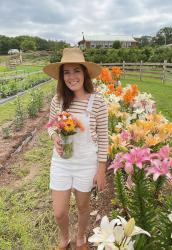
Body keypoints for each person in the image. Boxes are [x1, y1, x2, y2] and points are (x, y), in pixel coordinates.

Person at [43, 47, 108, 250]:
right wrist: (54, 137)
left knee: (82, 207)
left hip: (86, 163)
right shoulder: (58, 100)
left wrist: (101, 169)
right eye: (66, 72)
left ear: (85, 73)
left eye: (76, 71)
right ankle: (64, 239)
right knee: (59, 212)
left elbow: (104, 136)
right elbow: (51, 126)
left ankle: (80, 238)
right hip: (61, 162)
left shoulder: (97, 102)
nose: (72, 77)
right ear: (62, 77)